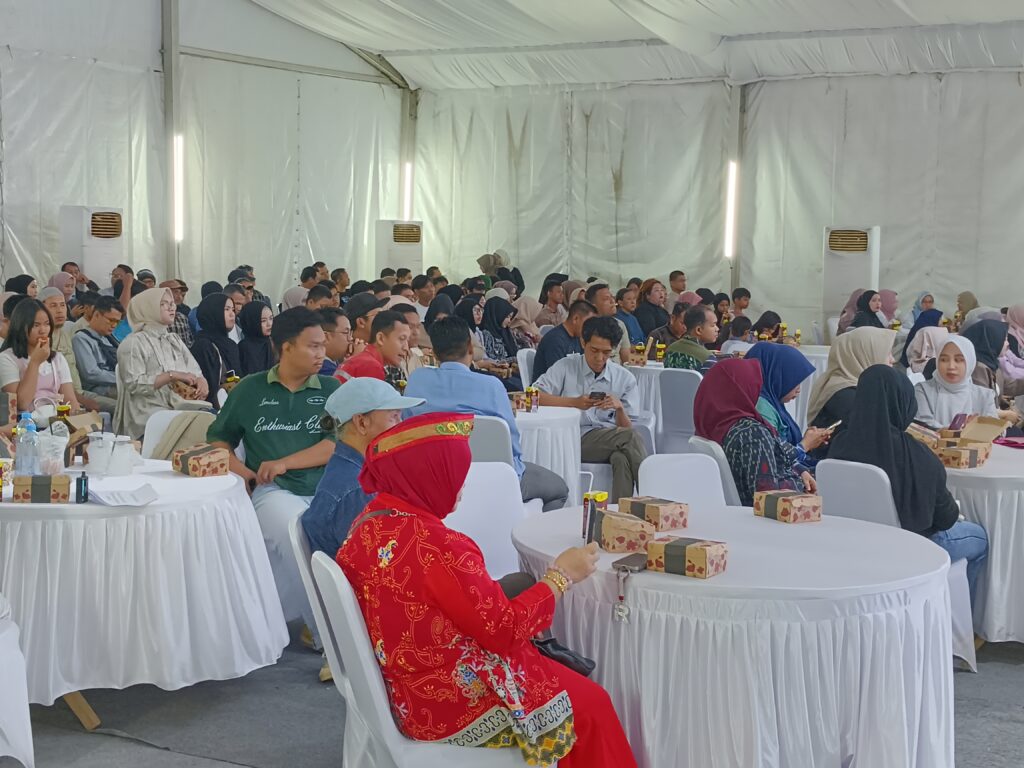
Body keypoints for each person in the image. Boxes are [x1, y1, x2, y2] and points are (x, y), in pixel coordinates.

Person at [337, 411, 634, 767]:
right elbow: (504, 631)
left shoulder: (369, 523)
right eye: (454, 477)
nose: (461, 487)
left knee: (530, 616)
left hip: (407, 686)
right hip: (449, 700)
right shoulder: (439, 546)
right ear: (426, 477)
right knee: (592, 704)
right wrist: (561, 577)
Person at [207, 307, 340, 636]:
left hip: (326, 492)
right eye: (313, 346)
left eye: (323, 344)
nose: (321, 353)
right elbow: (218, 441)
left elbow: (334, 445)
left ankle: (337, 627)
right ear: (286, 347)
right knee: (297, 532)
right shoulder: (251, 390)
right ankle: (333, 639)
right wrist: (245, 474)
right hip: (274, 493)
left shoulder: (330, 389)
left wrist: (285, 462)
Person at [831, 365, 988, 604]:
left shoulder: (839, 444)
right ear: (902, 401)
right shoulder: (916, 454)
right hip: (913, 547)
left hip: (851, 546)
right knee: (980, 539)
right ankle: (962, 626)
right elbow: (944, 518)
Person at [406, 316, 570, 510]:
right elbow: (511, 442)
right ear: (470, 348)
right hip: (493, 479)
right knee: (559, 490)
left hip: (431, 478)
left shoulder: (417, 380)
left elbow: (406, 428)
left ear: (433, 352)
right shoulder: (491, 385)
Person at [303, 377, 422, 556]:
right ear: (361, 422)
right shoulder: (357, 491)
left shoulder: (351, 472)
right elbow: (380, 560)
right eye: (394, 417)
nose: (400, 426)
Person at [534, 317, 645, 501]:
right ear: (583, 342)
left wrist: (619, 409)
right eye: (594, 350)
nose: (599, 358)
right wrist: (573, 403)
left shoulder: (624, 378)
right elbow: (534, 397)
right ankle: (651, 498)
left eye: (606, 353)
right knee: (631, 438)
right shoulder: (566, 367)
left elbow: (626, 428)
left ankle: (621, 516)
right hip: (572, 438)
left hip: (609, 439)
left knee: (621, 458)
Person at [693, 358, 812, 506]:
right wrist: (802, 490)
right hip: (777, 516)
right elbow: (766, 495)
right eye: (755, 386)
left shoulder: (713, 423)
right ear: (743, 389)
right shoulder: (753, 434)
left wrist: (798, 469)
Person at [114, 288, 209, 438]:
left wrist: (201, 381)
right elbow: (134, 384)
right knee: (201, 428)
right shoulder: (133, 343)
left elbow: (195, 370)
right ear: (147, 308)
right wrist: (172, 375)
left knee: (211, 420)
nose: (171, 307)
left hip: (177, 406)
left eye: (172, 303)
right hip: (147, 414)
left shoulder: (173, 339)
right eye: (163, 304)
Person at [744, 342, 829, 464]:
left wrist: (810, 440)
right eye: (794, 382)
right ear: (776, 377)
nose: (798, 389)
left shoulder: (771, 401)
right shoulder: (762, 408)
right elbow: (772, 460)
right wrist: (805, 445)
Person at [806, 327, 896, 441]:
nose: (893, 360)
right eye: (887, 354)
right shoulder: (846, 396)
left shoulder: (845, 383)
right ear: (865, 355)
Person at [0, 299, 80, 413]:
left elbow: (70, 400)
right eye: (35, 325)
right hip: (25, 425)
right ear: (20, 326)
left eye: (47, 324)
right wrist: (35, 362)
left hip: (56, 422)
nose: (43, 330)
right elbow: (21, 404)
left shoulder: (57, 358)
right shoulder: (6, 358)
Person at [40, 288, 111, 414]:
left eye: (62, 305)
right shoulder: (42, 340)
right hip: (62, 398)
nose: (60, 310)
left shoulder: (65, 333)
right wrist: (80, 400)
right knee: (120, 407)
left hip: (80, 392)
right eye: (53, 306)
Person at [914, 337, 999, 428]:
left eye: (959, 360)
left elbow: (994, 429)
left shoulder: (984, 395)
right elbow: (923, 427)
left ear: (970, 361)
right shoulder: (923, 390)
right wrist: (962, 429)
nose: (951, 366)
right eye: (944, 360)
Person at [960, 320, 1019, 422]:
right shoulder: (978, 369)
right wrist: (1005, 414)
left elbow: (1010, 386)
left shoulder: (993, 364)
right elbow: (980, 406)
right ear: (992, 340)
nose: (1008, 344)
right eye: (1004, 340)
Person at [190, 293, 240, 406]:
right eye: (226, 309)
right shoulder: (203, 345)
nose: (232, 314)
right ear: (213, 312)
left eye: (233, 309)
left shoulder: (230, 344)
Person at [338, 310, 409, 385]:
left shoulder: (363, 360)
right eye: (402, 339)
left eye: (407, 340)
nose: (406, 348)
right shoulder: (371, 366)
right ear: (380, 338)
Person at [532, 300, 597, 380]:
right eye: (588, 323)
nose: (590, 328)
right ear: (575, 319)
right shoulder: (555, 340)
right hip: (547, 389)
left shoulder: (577, 337)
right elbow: (557, 375)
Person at [72, 296, 122, 398]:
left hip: (117, 382)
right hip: (99, 388)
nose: (114, 325)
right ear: (97, 315)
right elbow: (91, 373)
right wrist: (121, 378)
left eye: (117, 322)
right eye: (111, 320)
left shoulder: (110, 338)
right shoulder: (81, 338)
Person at [585, 284, 631, 364]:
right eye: (606, 298)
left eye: (612, 297)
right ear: (594, 306)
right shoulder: (587, 327)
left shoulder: (620, 324)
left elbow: (626, 358)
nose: (612, 301)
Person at [664, 305, 718, 372]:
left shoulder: (670, 350)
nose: (717, 329)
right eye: (713, 325)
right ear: (698, 330)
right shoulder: (707, 358)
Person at [237, 300, 276, 377]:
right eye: (263, 321)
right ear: (252, 322)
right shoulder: (244, 347)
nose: (269, 324)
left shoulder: (273, 342)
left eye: (271, 318)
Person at [318, 307, 356, 377]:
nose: (351, 338)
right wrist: (357, 361)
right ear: (325, 337)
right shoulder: (322, 368)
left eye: (350, 333)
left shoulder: (335, 362)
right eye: (346, 332)